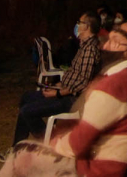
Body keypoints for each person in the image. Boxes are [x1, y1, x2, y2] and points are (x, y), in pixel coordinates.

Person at [0, 21, 127, 177]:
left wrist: (54, 143)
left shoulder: (113, 86)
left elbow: (77, 144)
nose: (105, 46)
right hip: (126, 167)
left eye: (114, 42)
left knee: (20, 153)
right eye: (108, 39)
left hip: (97, 170)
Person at [9, 12, 103, 151]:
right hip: (66, 92)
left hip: (73, 99)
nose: (77, 25)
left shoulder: (90, 49)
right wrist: (56, 86)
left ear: (87, 26)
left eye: (80, 22)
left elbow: (82, 84)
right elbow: (74, 75)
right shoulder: (84, 45)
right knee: (26, 98)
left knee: (26, 111)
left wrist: (57, 93)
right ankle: (18, 146)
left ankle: (50, 143)